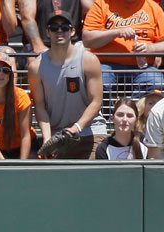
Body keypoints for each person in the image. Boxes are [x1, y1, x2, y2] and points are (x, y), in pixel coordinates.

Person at [28, 10, 108, 158]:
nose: (59, 30)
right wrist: (46, 138)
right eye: (54, 27)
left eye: (64, 27)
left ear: (72, 31)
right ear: (47, 32)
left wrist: (76, 128)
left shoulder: (88, 60)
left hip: (90, 131)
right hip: (58, 137)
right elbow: (39, 105)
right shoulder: (36, 67)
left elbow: (96, 101)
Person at [81, 0, 164, 97]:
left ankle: (134, 110)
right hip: (106, 65)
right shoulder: (102, 4)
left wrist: (150, 48)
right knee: (98, 82)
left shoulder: (153, 7)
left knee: (156, 82)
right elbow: (87, 39)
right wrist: (116, 32)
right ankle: (109, 112)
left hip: (143, 68)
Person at [19, 0, 87, 54]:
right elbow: (27, 17)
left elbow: (90, 8)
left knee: (87, 58)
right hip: (42, 44)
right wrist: (39, 47)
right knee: (34, 61)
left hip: (73, 43)